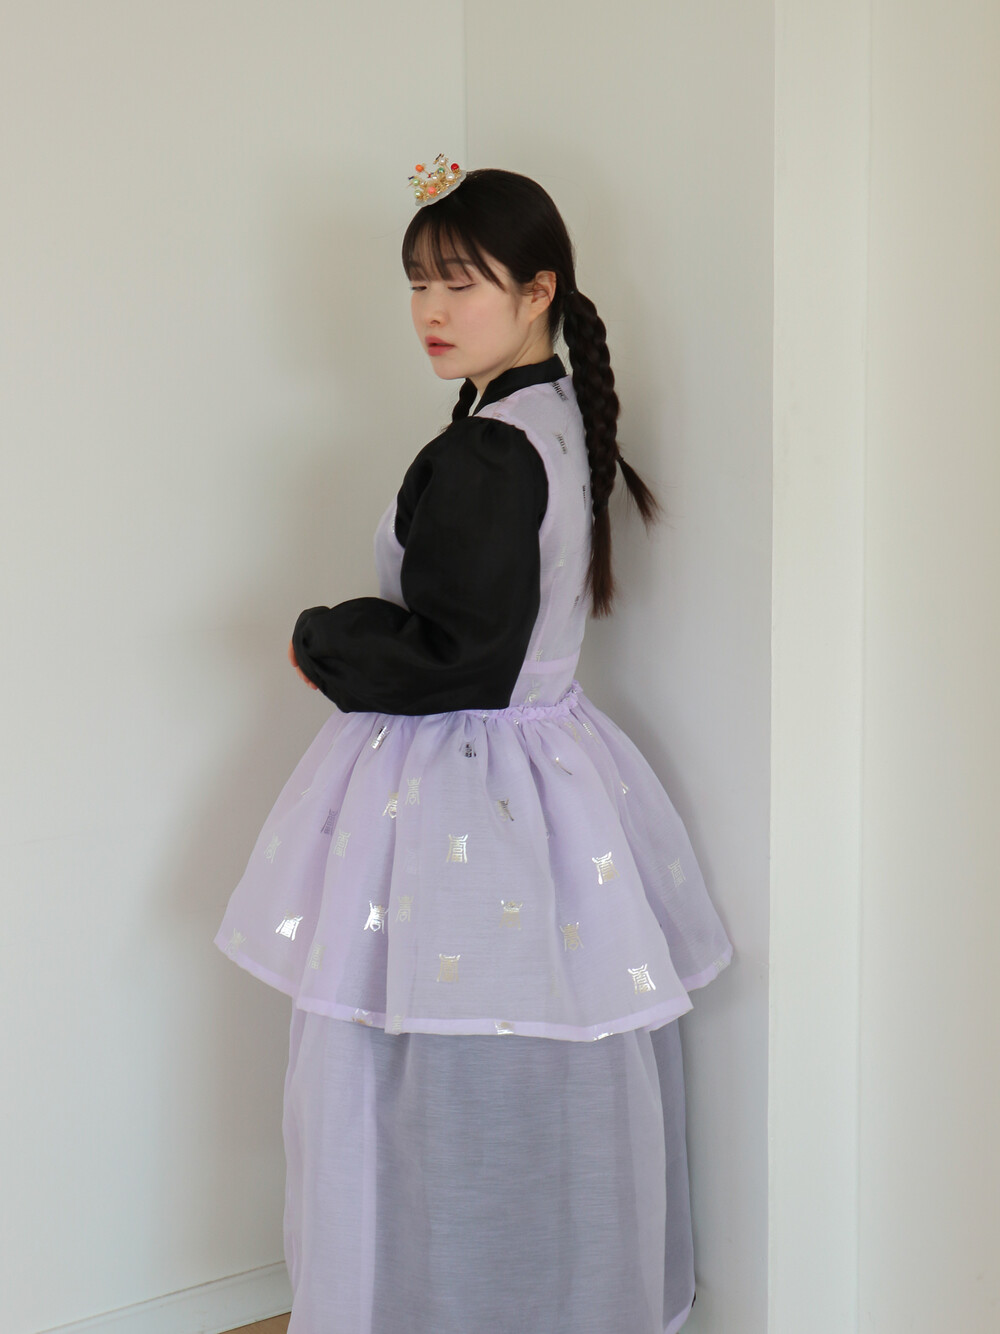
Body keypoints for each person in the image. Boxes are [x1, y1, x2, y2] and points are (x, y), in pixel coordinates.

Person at [214, 157, 733, 1334]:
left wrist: (321, 638)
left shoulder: (490, 448)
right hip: (541, 772)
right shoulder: (550, 419)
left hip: (465, 775)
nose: (431, 311)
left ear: (538, 289)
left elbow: (461, 655)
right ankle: (526, 1293)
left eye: (462, 282)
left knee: (427, 1050)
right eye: (417, 283)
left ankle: (432, 1299)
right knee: (525, 1047)